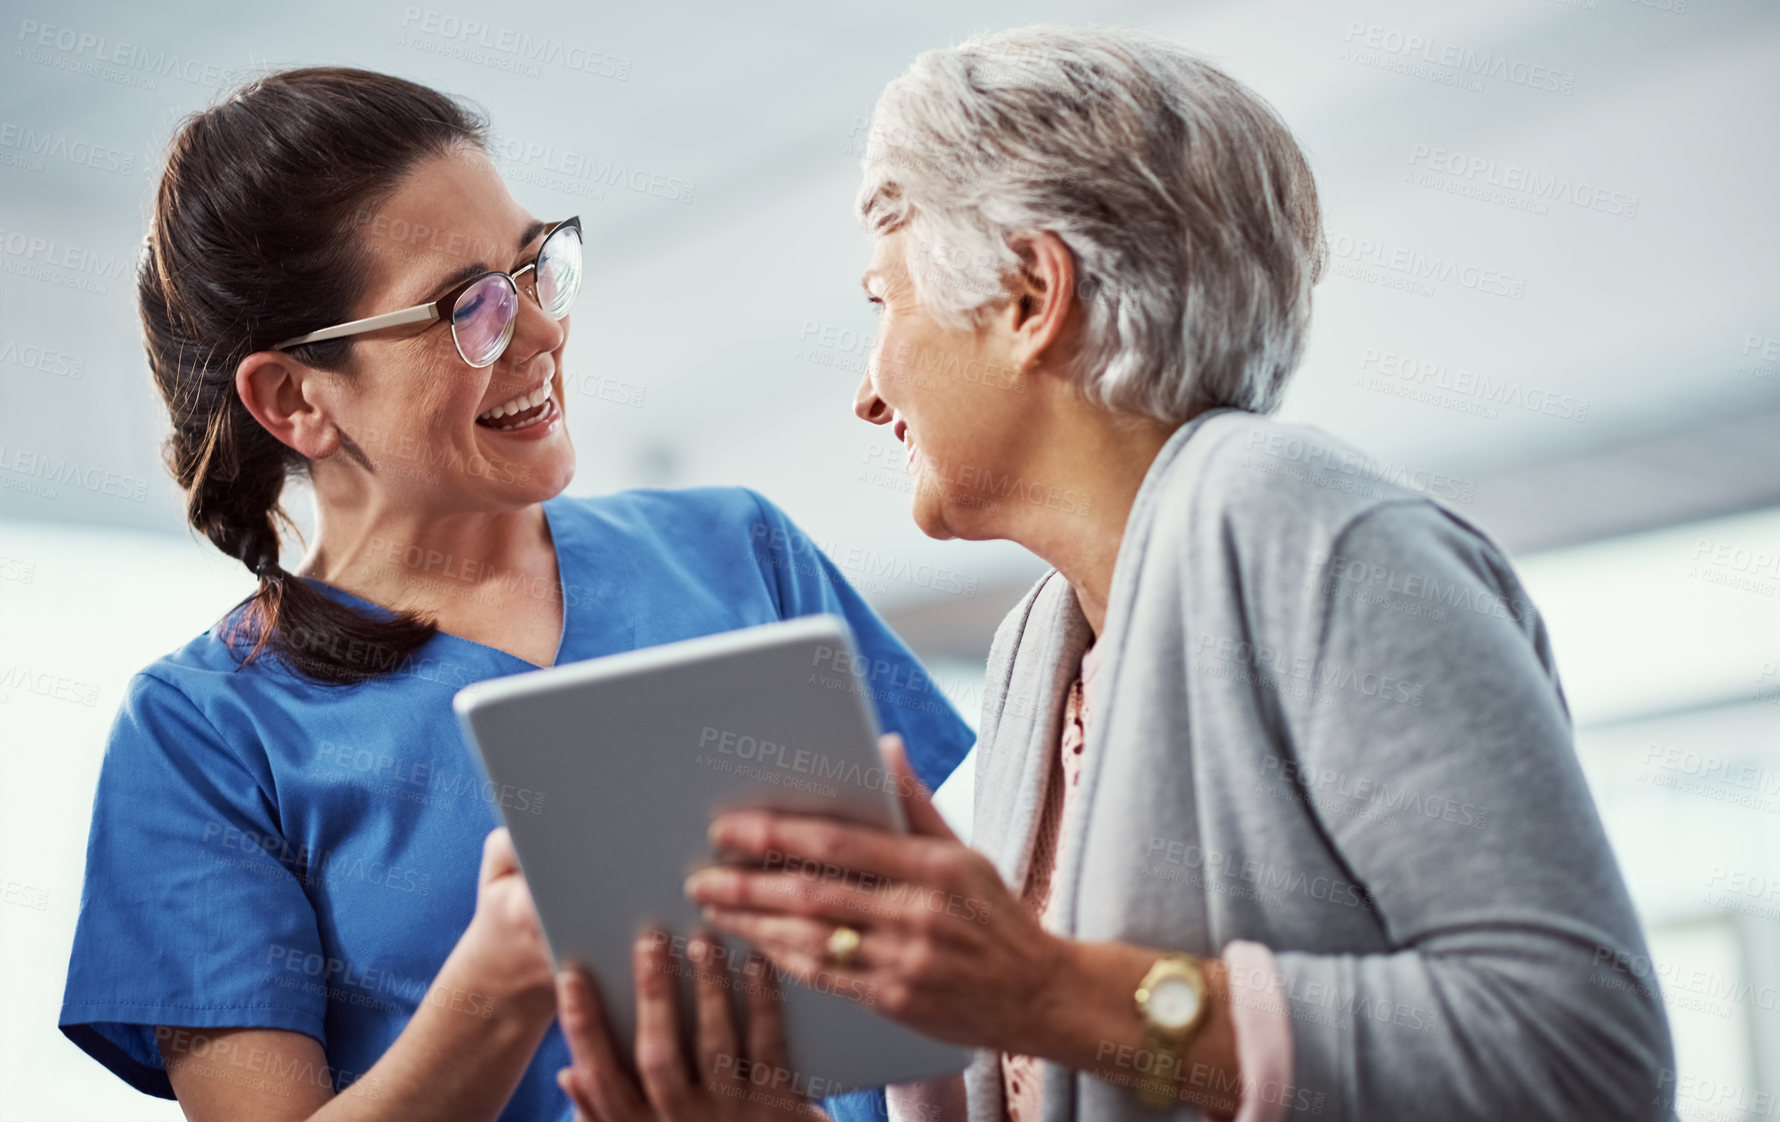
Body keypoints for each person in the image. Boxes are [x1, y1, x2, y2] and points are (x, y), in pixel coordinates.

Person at [654, 25, 1677, 1122]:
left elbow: (1583, 1052)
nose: (867, 391)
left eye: (882, 303)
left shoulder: (1310, 525)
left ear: (1030, 297)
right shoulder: (1038, 647)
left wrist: (1052, 991)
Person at [57, 67, 971, 1122]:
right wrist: (493, 991)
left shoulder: (737, 553)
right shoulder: (204, 734)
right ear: (296, 397)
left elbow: (947, 987)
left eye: (536, 268)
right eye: (469, 310)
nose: (541, 334)